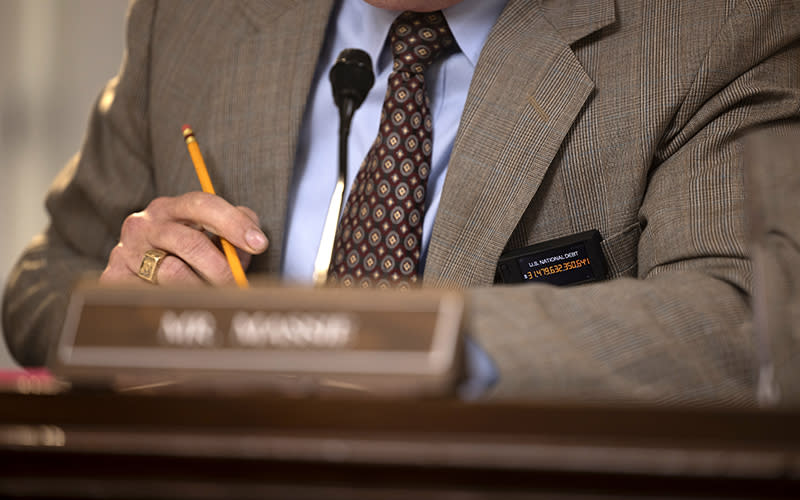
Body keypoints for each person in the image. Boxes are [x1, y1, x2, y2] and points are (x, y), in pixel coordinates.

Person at [3, 0, 799, 402]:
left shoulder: (720, 28)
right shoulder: (191, 18)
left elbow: (751, 319)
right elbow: (43, 282)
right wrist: (130, 319)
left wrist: (376, 343)